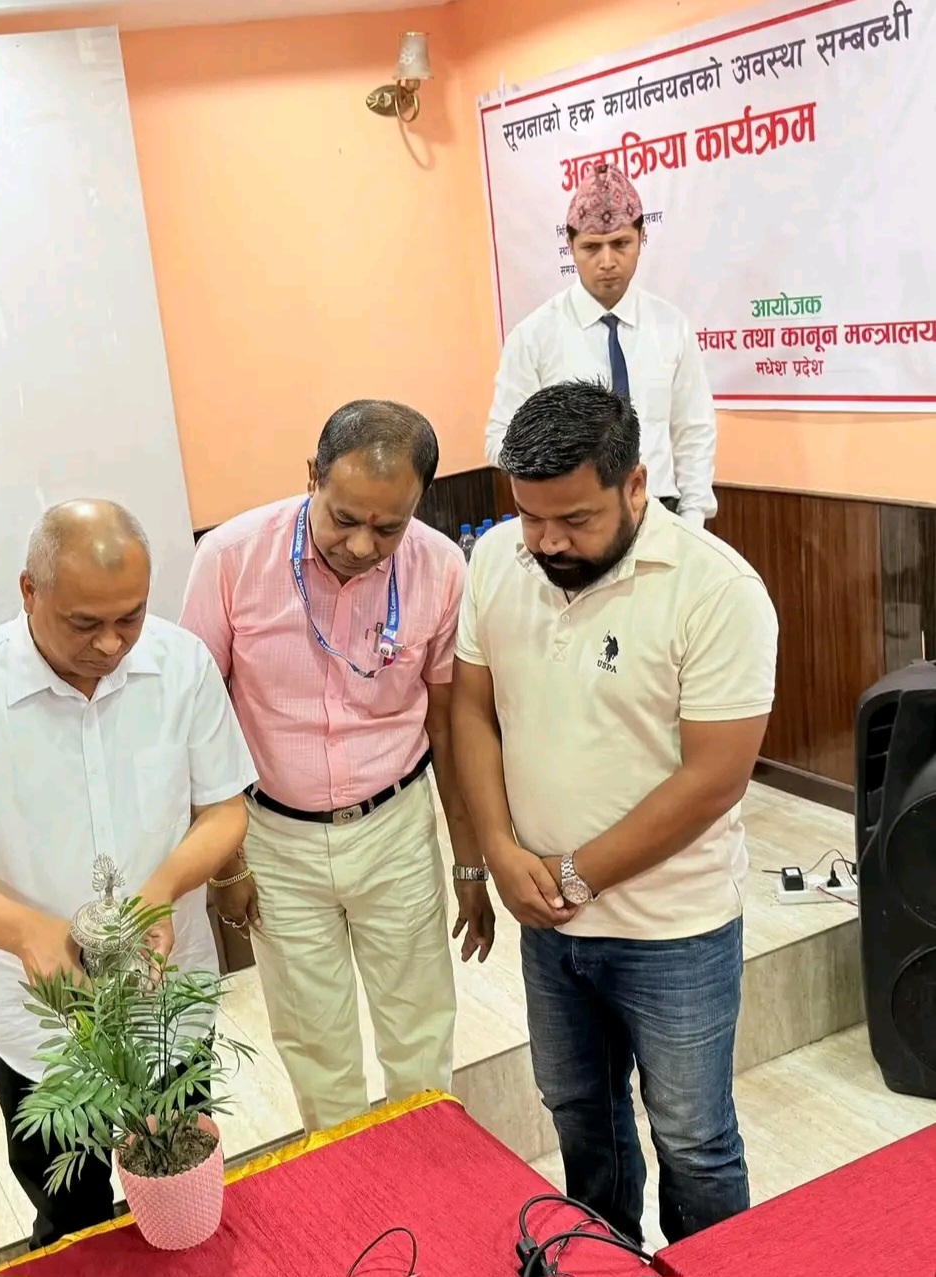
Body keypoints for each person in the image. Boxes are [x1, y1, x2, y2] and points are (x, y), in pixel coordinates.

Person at [0, 500, 256, 1249]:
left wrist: (159, 895)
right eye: (84, 623)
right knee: (71, 1219)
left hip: (165, 1001)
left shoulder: (180, 665)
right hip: (40, 1026)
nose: (110, 643)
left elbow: (223, 811)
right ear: (29, 591)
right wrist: (26, 932)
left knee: (180, 1196)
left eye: (130, 617)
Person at [452, 381, 778, 1246]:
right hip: (549, 924)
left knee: (694, 1138)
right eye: (530, 516)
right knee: (579, 1116)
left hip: (674, 927)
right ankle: (604, 1258)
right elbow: (471, 710)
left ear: (636, 484)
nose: (548, 542)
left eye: (575, 519)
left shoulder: (716, 589)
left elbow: (714, 778)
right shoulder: (497, 561)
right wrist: (496, 847)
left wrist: (573, 873)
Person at [180, 399, 494, 1134]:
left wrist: (469, 862)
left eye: (388, 528)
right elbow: (197, 719)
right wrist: (225, 864)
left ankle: (428, 1166)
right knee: (315, 1041)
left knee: (420, 1026)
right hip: (275, 837)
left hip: (395, 827)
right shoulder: (231, 558)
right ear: (312, 476)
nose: (361, 545)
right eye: (344, 518)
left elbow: (448, 724)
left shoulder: (441, 568)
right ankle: (347, 1182)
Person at [484, 163, 717, 526]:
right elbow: (499, 440)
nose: (607, 261)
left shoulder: (673, 329)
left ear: (641, 238)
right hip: (574, 521)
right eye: (591, 247)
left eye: (621, 243)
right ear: (570, 246)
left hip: (662, 513)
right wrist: (562, 462)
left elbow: (694, 431)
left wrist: (693, 519)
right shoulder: (533, 337)